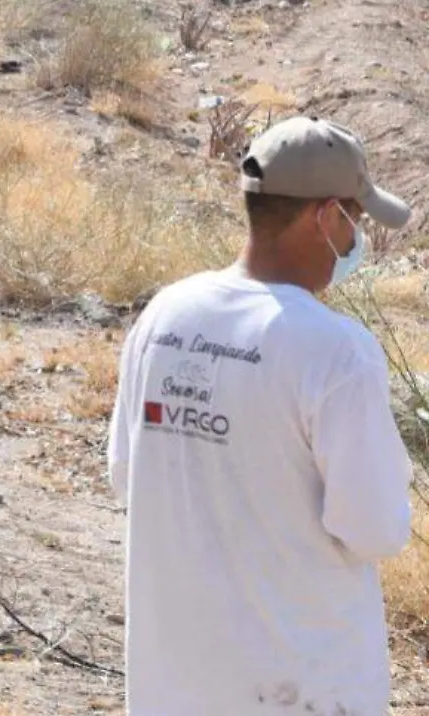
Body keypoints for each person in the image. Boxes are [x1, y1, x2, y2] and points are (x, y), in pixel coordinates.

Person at [109, 115, 413, 716]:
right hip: (302, 688)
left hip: (174, 685)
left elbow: (127, 475)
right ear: (325, 217)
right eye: (355, 219)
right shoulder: (335, 351)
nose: (356, 240)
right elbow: (375, 528)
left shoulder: (165, 316)